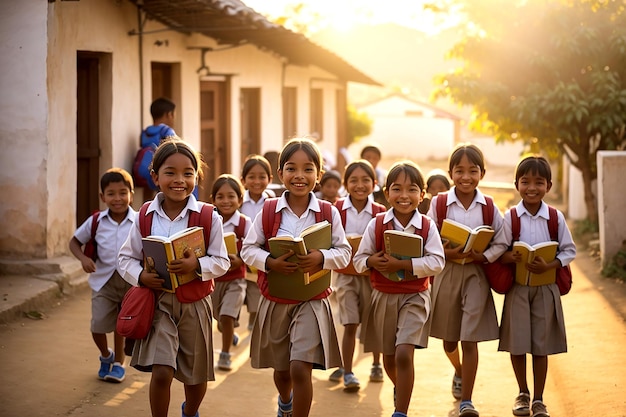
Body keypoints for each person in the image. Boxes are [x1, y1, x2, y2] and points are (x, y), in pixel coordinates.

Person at [118, 139, 230, 417]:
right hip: (158, 305)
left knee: (195, 376)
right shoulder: (144, 215)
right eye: (170, 172)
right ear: (155, 177)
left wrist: (197, 265)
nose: (179, 180)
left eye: (188, 173)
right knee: (162, 370)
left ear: (197, 177)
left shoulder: (208, 216)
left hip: (196, 304)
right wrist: (141, 276)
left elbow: (222, 261)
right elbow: (125, 259)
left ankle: (190, 411)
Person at [240, 138, 351, 417]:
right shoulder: (268, 211)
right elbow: (248, 250)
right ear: (280, 174)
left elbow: (344, 252)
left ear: (319, 175)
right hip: (276, 298)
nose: (299, 176)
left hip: (312, 300)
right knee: (282, 370)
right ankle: (285, 401)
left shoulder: (328, 212)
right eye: (291, 168)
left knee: (301, 366)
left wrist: (321, 258)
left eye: (308, 169)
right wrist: (270, 262)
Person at [353, 161, 446, 417]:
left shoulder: (427, 226)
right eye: (397, 189)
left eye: (412, 189)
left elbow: (437, 262)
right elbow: (359, 260)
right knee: (390, 358)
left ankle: (400, 412)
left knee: (404, 352)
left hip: (415, 296)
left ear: (422, 194)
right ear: (386, 192)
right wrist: (373, 261)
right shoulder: (377, 224)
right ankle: (400, 387)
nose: (404, 196)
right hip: (383, 296)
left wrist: (403, 264)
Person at [427, 143, 508, 417]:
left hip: (475, 274)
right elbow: (427, 237)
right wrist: (445, 251)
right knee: (449, 341)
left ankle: (467, 400)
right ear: (450, 173)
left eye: (472, 171)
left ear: (482, 173)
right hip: (446, 273)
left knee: (469, 338)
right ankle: (459, 370)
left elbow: (503, 239)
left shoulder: (488, 206)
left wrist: (484, 256)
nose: (465, 177)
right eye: (459, 170)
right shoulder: (438, 203)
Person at [498, 156, 576, 417]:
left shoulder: (555, 217)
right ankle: (522, 393)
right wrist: (512, 256)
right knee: (517, 343)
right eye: (525, 181)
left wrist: (550, 265)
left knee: (541, 345)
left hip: (546, 288)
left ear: (549, 186)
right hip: (518, 288)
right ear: (516, 184)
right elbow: (500, 250)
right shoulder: (509, 217)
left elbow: (569, 250)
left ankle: (539, 399)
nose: (532, 187)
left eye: (539, 182)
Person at [69, 168, 136, 383]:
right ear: (102, 197)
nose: (117, 198)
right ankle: (106, 356)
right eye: (111, 193)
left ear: (131, 194)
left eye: (122, 192)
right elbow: (74, 242)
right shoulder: (96, 221)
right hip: (103, 282)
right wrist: (83, 259)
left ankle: (119, 364)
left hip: (130, 282)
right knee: (98, 324)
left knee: (121, 324)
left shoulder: (139, 221)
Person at [327, 160, 387, 391]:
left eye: (365, 180)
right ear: (345, 184)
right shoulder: (336, 210)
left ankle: (376, 363)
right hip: (345, 276)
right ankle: (349, 371)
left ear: (374, 184)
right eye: (353, 180)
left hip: (371, 276)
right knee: (350, 322)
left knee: (374, 323)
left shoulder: (380, 212)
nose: (359, 185)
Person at [210, 174, 252, 372]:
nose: (226, 201)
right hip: (214, 281)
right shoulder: (209, 221)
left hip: (236, 279)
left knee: (226, 316)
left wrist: (241, 260)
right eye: (220, 197)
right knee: (219, 318)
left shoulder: (244, 223)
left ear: (240, 200)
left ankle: (225, 353)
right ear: (213, 200)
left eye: (231, 196)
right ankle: (229, 332)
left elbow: (253, 248)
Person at [240, 154, 275, 331]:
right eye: (251, 177)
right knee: (239, 289)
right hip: (240, 254)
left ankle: (255, 317)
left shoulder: (272, 203)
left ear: (270, 179)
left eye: (262, 177)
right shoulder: (238, 201)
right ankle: (231, 321)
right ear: (243, 180)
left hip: (262, 253)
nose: (256, 181)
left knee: (256, 287)